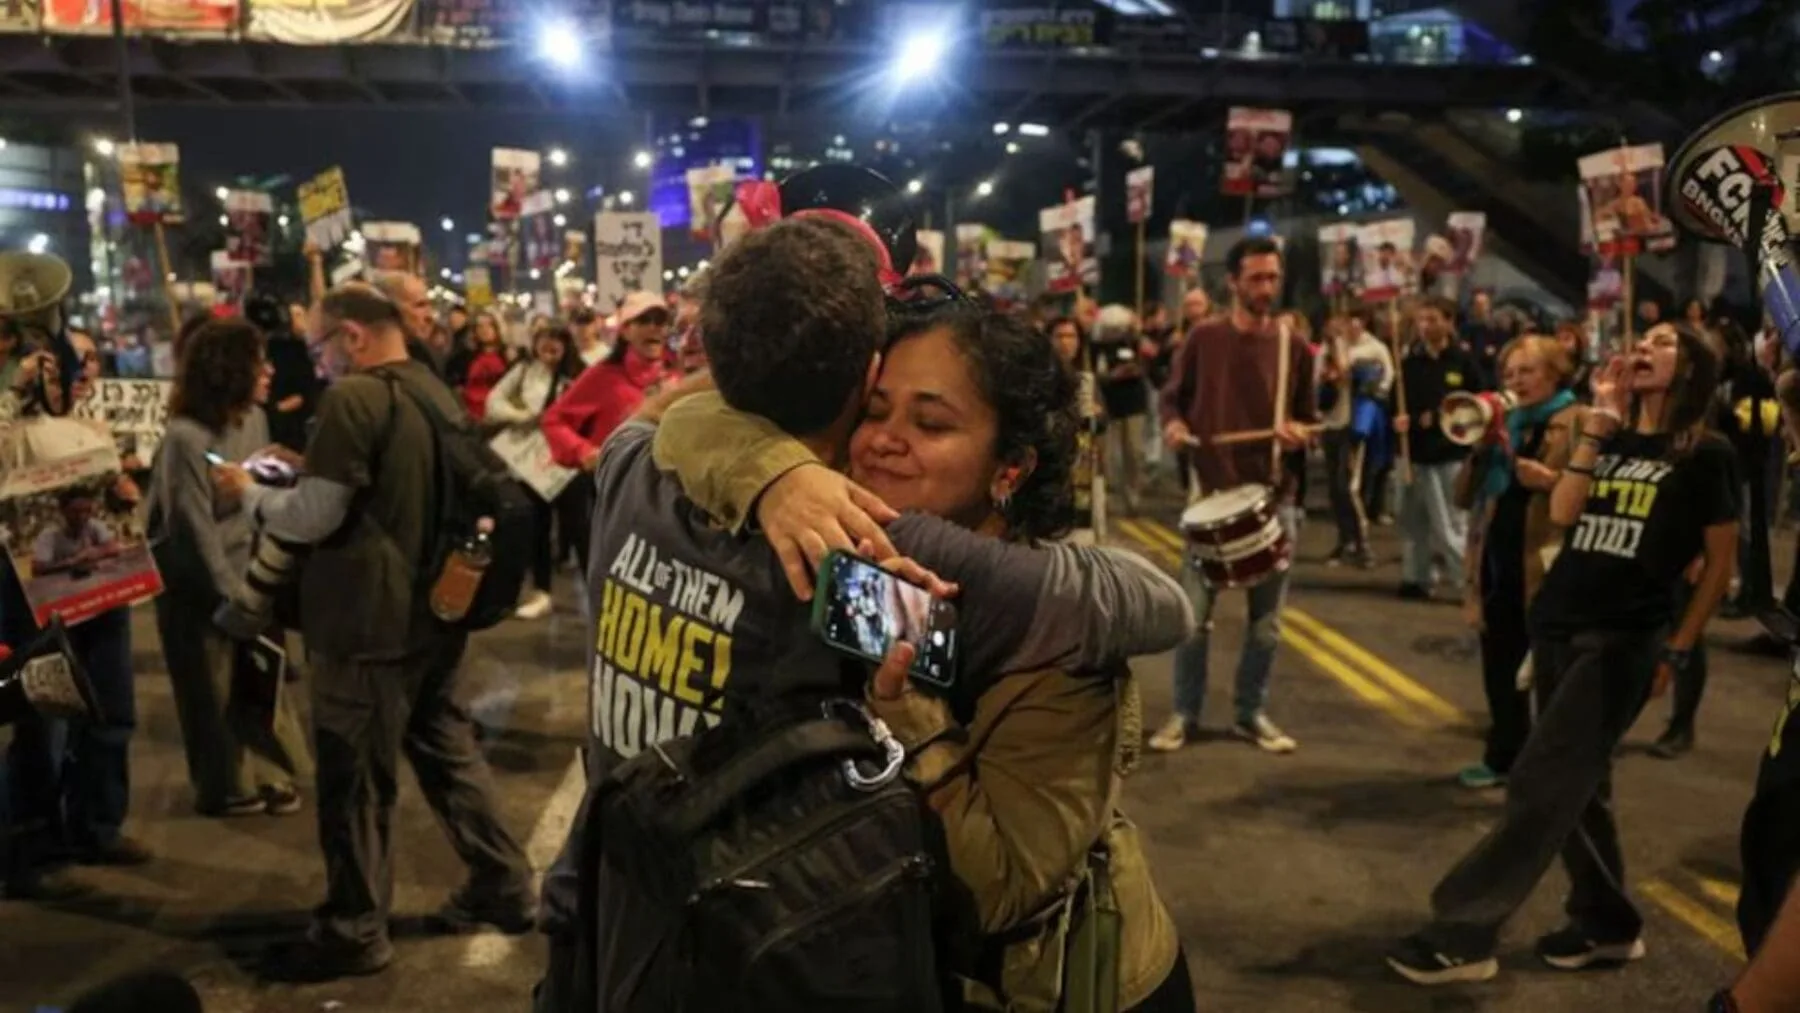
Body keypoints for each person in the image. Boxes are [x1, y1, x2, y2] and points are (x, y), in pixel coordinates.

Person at [534, 216, 1194, 1011]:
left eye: (932, 422)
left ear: (1010, 467)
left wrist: (916, 717)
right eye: (877, 409)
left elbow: (997, 895)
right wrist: (774, 472)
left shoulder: (904, 586)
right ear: (859, 379)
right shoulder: (843, 564)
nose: (882, 441)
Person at [1388, 321, 1738, 986]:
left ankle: (1463, 930)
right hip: (1558, 622)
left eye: (1665, 341)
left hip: (1623, 637)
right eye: (1645, 337)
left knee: (1540, 779)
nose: (1645, 346)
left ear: (1692, 367)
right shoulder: (1611, 431)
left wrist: (1682, 645)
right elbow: (1569, 508)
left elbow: (1720, 564)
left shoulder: (1707, 452)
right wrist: (1600, 428)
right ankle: (1607, 922)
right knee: (1581, 790)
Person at [212, 283, 533, 982]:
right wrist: (303, 468)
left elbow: (315, 518)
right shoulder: (426, 386)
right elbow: (389, 483)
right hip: (433, 616)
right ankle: (505, 884)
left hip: (365, 626)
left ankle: (354, 927)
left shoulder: (356, 397)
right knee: (448, 757)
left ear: (353, 337)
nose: (317, 362)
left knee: (354, 781)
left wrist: (252, 493)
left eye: (320, 347)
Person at [1149, 236, 1316, 755]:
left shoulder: (1294, 345)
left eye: (1273, 278)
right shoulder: (1204, 338)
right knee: (1193, 623)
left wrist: (1298, 432)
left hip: (1273, 497)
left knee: (1266, 628)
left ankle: (1250, 713)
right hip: (1211, 498)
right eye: (1257, 278)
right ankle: (1184, 712)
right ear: (1234, 282)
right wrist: (1175, 427)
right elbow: (1172, 400)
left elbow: (1309, 418)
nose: (1266, 288)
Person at [150, 318, 311, 817]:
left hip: (250, 574)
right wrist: (230, 596)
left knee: (260, 683)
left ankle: (273, 775)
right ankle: (227, 785)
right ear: (228, 371)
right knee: (210, 689)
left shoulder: (253, 420)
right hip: (199, 587)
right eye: (257, 361)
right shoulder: (184, 438)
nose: (269, 371)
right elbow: (191, 530)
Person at [1452, 335, 1584, 790]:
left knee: (1549, 673)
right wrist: (1480, 448)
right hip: (1497, 562)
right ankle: (1504, 755)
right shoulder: (1503, 425)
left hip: (1548, 566)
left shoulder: (1579, 421)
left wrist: (1551, 481)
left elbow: (1598, 494)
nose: (1516, 381)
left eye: (1526, 371)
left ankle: (1548, 770)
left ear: (1554, 372)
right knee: (1500, 665)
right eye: (1509, 373)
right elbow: (1463, 496)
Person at [483, 324, 581, 620]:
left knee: (581, 527)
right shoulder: (524, 370)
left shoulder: (579, 374)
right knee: (537, 526)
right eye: (543, 340)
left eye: (556, 340)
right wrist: (523, 416)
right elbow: (493, 403)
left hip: (569, 463)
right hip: (531, 461)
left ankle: (600, 591)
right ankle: (541, 591)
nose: (549, 346)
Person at [1393, 297, 1482, 600]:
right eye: (1421, 320)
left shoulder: (1463, 362)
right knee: (1412, 521)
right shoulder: (1408, 364)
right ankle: (1416, 577)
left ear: (1448, 322)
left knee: (1451, 524)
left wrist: (1444, 419)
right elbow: (1394, 404)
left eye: (1432, 319)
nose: (1425, 326)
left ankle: (1466, 583)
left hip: (1448, 454)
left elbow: (1479, 403)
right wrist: (1399, 421)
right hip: (1412, 453)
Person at [541, 290, 670, 471]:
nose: (654, 327)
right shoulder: (604, 375)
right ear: (625, 331)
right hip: (620, 488)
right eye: (643, 321)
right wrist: (584, 452)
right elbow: (554, 420)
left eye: (660, 321)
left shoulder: (677, 373)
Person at [1319, 309, 1392, 568]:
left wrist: (1357, 376)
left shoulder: (1373, 349)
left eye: (1354, 321)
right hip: (1331, 423)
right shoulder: (1327, 349)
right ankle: (1344, 539)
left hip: (1356, 425)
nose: (1349, 326)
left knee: (1349, 485)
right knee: (1335, 488)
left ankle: (1362, 542)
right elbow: (1319, 380)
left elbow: (1384, 383)